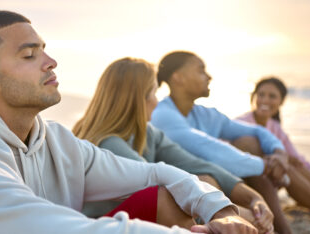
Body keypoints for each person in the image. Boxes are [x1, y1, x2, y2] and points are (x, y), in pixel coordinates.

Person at [0, 11, 258, 234]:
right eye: (29, 54)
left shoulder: (56, 142)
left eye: (44, 49)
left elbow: (158, 172)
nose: (51, 61)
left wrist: (221, 211)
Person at [73, 57, 275, 233]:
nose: (157, 101)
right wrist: (235, 215)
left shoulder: (148, 134)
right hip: (105, 225)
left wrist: (255, 199)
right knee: (169, 195)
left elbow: (199, 165)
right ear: (137, 100)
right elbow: (160, 185)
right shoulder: (109, 142)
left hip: (140, 221)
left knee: (204, 179)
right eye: (154, 92)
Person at [150, 51, 292, 234]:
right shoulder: (163, 115)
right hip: (192, 193)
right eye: (201, 70)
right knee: (252, 151)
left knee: (251, 142)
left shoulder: (205, 114)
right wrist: (266, 166)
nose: (209, 76)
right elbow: (209, 150)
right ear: (178, 78)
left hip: (218, 182)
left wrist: (279, 152)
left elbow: (255, 130)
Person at [236, 76, 310, 225]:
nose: (265, 100)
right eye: (261, 95)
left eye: (272, 96)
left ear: (281, 102)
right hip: (245, 183)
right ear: (254, 97)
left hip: (269, 181)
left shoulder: (274, 126)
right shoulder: (241, 123)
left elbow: (302, 163)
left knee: (296, 165)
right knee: (288, 167)